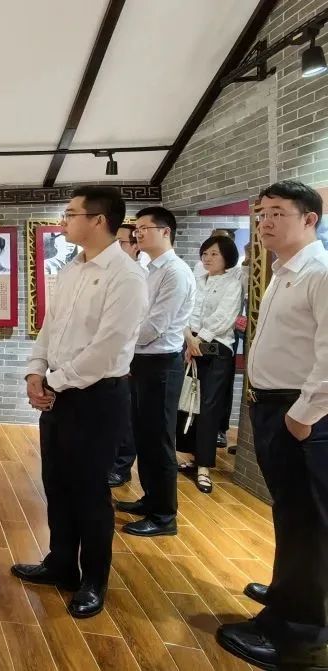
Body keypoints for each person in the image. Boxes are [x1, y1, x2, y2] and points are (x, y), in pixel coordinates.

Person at [12, 186, 147, 619]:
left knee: (89, 490)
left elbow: (107, 348)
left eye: (71, 214)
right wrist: (35, 371)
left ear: (99, 220)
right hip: (58, 390)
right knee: (57, 481)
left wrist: (52, 381)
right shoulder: (72, 268)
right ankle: (61, 563)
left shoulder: (126, 276)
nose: (64, 222)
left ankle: (94, 580)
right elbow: (50, 328)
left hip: (97, 396)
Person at [217, 181, 328, 671]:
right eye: (261, 212)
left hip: (303, 413)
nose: (265, 221)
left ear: (310, 219)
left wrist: (302, 417)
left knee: (308, 525)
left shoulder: (320, 273)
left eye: (278, 212)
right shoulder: (286, 271)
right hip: (277, 407)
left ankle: (298, 639)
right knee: (291, 514)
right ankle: (288, 595)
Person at [117, 207, 195, 538]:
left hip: (161, 363)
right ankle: (151, 499)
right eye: (136, 229)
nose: (137, 234)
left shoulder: (175, 272)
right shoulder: (149, 269)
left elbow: (154, 326)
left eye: (144, 228)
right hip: (142, 360)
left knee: (160, 440)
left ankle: (164, 516)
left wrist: (118, 338)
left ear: (165, 232)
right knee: (144, 436)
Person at [176, 235, 243, 494]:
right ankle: (191, 456)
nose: (207, 258)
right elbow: (184, 310)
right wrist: (188, 338)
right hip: (190, 346)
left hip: (216, 349)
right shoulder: (197, 279)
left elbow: (225, 317)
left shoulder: (233, 282)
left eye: (214, 254)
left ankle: (204, 466)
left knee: (208, 407)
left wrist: (198, 340)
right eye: (205, 253)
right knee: (188, 403)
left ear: (227, 257)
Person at [108, 223, 146, 488]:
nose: (116, 248)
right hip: (115, 357)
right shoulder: (113, 274)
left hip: (133, 355)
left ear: (135, 246)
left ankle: (122, 466)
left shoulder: (137, 276)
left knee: (128, 416)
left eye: (121, 243)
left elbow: (141, 324)